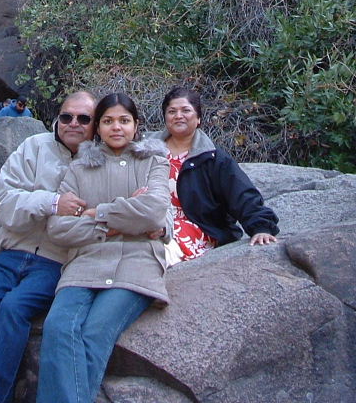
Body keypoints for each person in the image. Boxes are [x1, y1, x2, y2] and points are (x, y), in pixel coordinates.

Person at [0, 91, 97, 403]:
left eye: (84, 118)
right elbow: (2, 204)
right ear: (57, 118)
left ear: (95, 125)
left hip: (55, 262)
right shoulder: (34, 147)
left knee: (13, 309)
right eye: (67, 116)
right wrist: (52, 203)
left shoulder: (100, 163)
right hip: (10, 252)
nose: (74, 123)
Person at [35, 92, 170, 403]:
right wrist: (118, 221)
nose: (116, 127)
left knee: (95, 332)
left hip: (137, 264)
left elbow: (154, 212)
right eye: (108, 121)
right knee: (58, 327)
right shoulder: (79, 168)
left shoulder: (153, 161)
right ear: (97, 128)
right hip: (85, 263)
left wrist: (97, 212)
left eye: (124, 120)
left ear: (136, 125)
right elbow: (58, 228)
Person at [159, 85, 278, 262]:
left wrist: (261, 227)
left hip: (195, 227)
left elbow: (241, 193)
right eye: (172, 111)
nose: (178, 116)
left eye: (186, 110)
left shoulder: (213, 158)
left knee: (157, 252)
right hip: (151, 221)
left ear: (198, 118)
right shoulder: (147, 150)